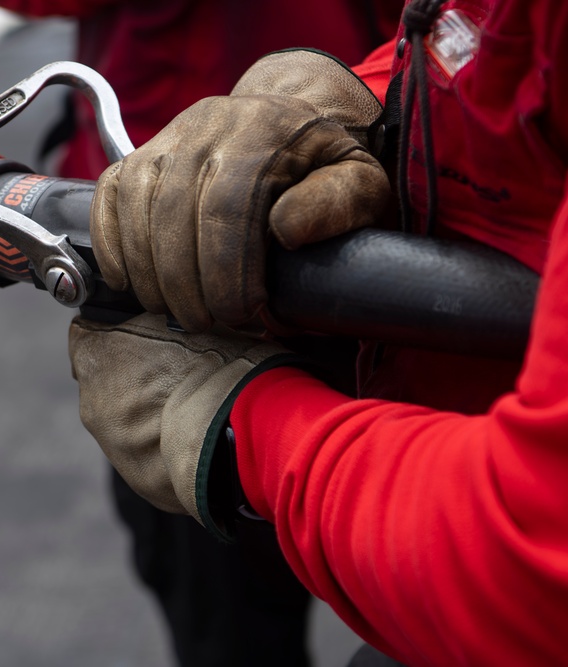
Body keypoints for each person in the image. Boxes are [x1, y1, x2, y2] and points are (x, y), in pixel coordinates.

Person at [68, 0, 568, 664]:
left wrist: (238, 425)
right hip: (226, 191)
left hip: (479, 545)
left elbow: (536, 566)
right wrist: (371, 105)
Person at [0, 1, 403, 664]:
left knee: (426, 581)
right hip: (157, 236)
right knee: (227, 625)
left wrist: (371, 100)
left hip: (372, 209)